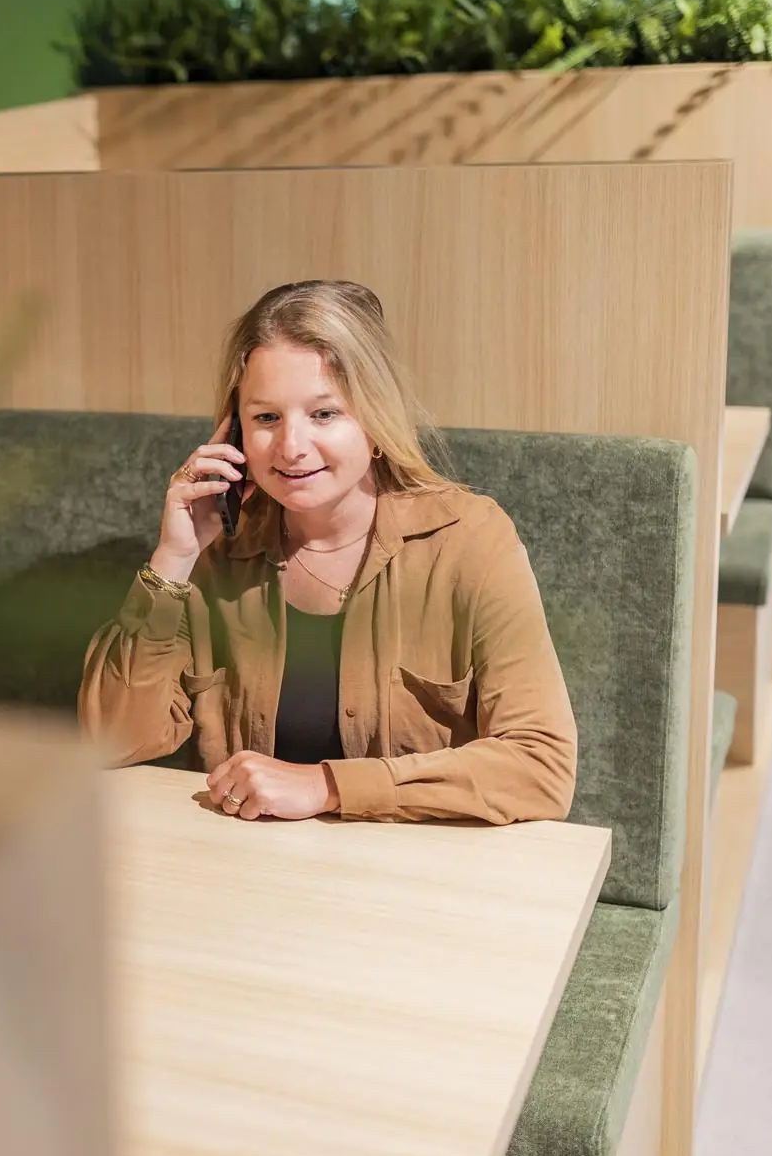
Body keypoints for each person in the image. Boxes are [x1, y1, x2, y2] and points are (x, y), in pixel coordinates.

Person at [78, 280, 576, 824]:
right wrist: (172, 560)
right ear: (236, 434)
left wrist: (327, 786)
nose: (291, 447)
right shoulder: (213, 549)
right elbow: (111, 741)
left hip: (414, 884)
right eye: (266, 418)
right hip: (247, 873)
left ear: (377, 420)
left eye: (323, 414)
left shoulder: (471, 542)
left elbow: (541, 764)